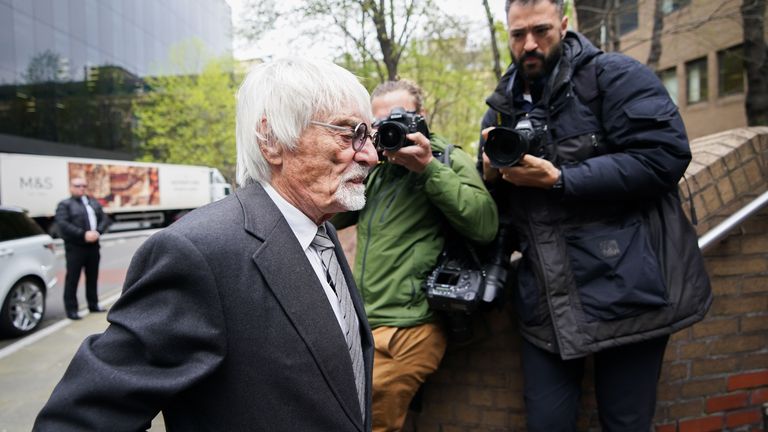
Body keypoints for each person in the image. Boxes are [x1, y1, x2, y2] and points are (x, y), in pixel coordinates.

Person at [34, 58, 379, 432]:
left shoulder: (321, 231)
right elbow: (79, 420)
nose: (371, 155)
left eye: (370, 135)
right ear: (273, 141)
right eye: (349, 133)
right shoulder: (198, 252)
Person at [478, 0, 712, 430]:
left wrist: (562, 179)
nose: (529, 44)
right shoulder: (501, 105)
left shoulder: (616, 76)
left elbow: (664, 156)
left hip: (628, 290)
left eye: (541, 30)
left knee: (625, 423)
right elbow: (497, 206)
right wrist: (490, 175)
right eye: (517, 34)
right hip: (546, 299)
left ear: (565, 24)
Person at [332, 79, 498, 432]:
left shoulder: (446, 158)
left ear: (421, 116)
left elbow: (484, 224)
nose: (389, 126)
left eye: (400, 115)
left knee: (367, 423)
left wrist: (427, 169)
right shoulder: (379, 167)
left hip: (410, 328)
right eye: (379, 122)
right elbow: (332, 215)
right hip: (367, 323)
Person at [54, 177, 112, 320]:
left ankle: (93, 304)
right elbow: (63, 224)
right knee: (72, 279)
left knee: (93, 277)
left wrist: (97, 232)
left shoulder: (93, 203)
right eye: (78, 185)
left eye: (84, 185)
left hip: (93, 246)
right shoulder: (65, 204)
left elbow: (104, 219)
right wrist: (83, 234)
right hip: (75, 247)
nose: (81, 188)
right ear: (71, 187)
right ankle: (71, 309)